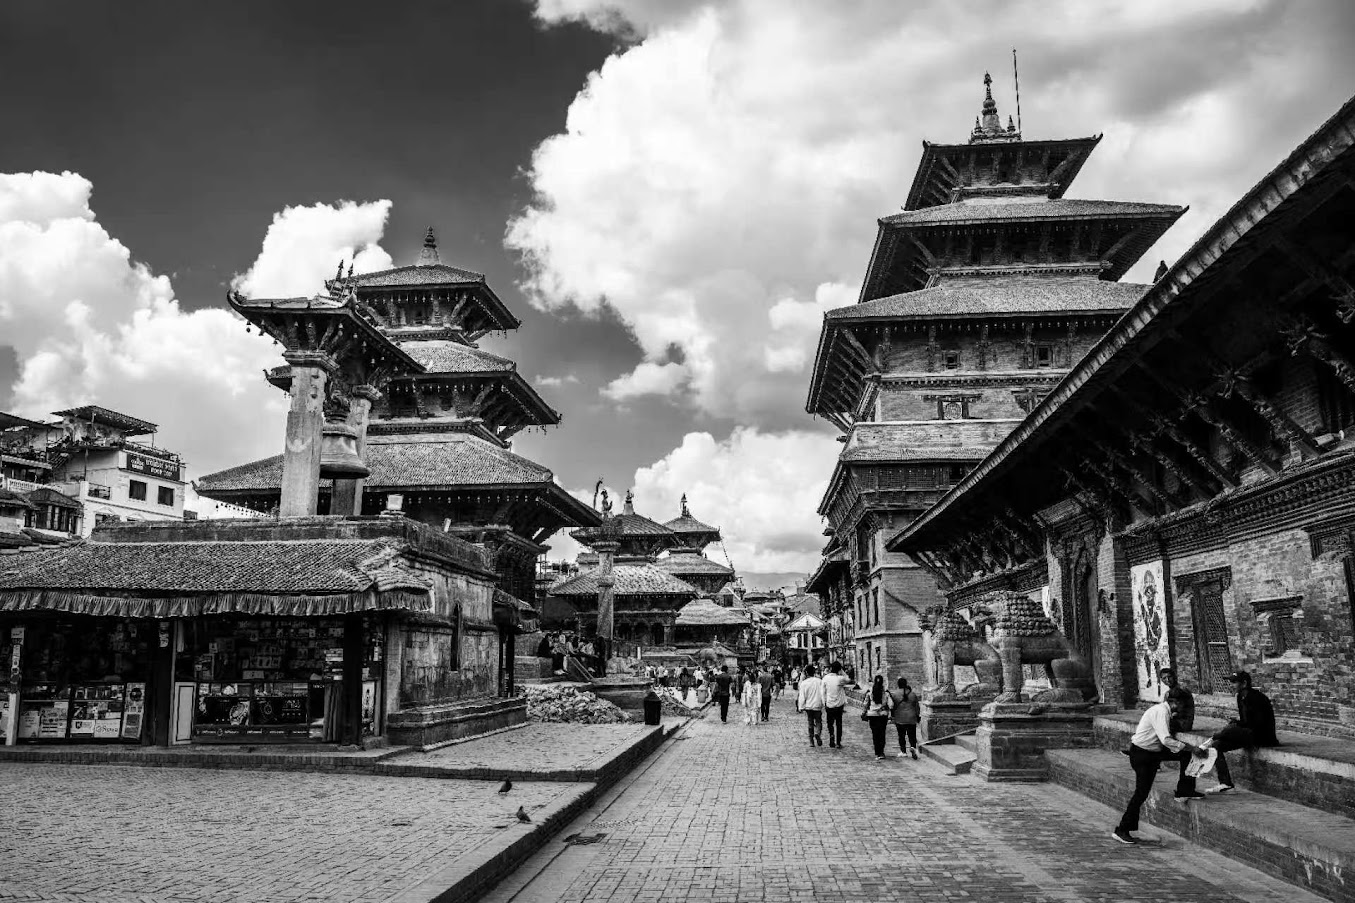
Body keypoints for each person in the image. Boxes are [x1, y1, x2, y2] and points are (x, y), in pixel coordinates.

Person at [1113, 695, 1202, 844]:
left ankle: (1184, 790)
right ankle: (1122, 829)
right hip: (1142, 754)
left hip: (1152, 753)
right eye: (1181, 706)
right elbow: (1165, 739)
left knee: (1186, 756)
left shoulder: (1165, 712)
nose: (1182, 710)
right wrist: (1192, 747)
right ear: (1174, 703)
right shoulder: (1161, 711)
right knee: (1141, 793)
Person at [1195, 670, 1279, 793]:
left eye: (1234, 682)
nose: (1231, 685)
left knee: (1229, 730)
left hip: (1262, 736)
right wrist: (1237, 723)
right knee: (1217, 746)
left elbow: (1258, 724)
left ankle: (1207, 742)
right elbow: (1246, 721)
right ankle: (1225, 783)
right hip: (1248, 733)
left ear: (1244, 683)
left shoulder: (1256, 697)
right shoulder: (1241, 696)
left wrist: (1236, 728)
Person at [889, 677, 920, 759]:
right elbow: (917, 707)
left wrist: (892, 716)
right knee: (912, 735)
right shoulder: (912, 694)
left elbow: (892, 706)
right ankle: (913, 747)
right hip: (911, 717)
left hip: (900, 718)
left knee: (901, 736)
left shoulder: (895, 694)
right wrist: (917, 716)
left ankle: (903, 751)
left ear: (898, 684)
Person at [796, 664, 826, 747]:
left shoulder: (804, 683)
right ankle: (818, 733)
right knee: (818, 721)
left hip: (808, 706)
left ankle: (811, 741)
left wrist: (800, 707)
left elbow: (802, 696)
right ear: (814, 672)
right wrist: (824, 703)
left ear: (806, 673)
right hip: (817, 705)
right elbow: (823, 693)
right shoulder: (819, 681)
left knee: (810, 723)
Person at [822, 662, 850, 748]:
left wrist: (824, 703)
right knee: (839, 723)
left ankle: (831, 737)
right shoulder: (840, 679)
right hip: (839, 705)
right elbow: (848, 679)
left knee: (830, 723)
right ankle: (838, 742)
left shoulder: (825, 678)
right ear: (839, 669)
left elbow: (823, 692)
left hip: (829, 704)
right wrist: (842, 671)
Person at [1160, 667, 1194, 733]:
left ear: (1174, 677)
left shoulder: (1180, 690)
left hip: (1183, 724)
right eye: (1164, 678)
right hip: (1176, 722)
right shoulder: (1169, 692)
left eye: (1169, 677)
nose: (1168, 680)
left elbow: (1178, 711)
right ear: (1162, 680)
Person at [865, 675, 892, 759]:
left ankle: (877, 751)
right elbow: (891, 705)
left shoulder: (870, 691)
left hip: (872, 715)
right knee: (882, 733)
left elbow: (865, 703)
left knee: (875, 734)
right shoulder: (885, 692)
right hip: (882, 715)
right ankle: (881, 752)